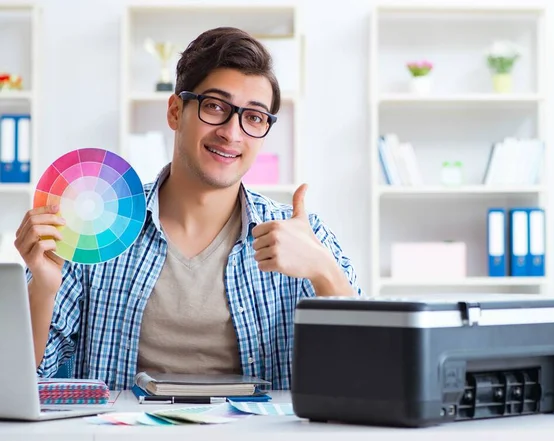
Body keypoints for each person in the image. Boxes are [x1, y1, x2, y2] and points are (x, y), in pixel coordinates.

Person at [14, 27, 361, 391]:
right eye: (215, 107)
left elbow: (365, 376)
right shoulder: (94, 225)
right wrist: (43, 289)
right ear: (176, 111)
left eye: (254, 117)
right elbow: (24, 382)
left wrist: (324, 271)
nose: (232, 133)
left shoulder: (301, 235)